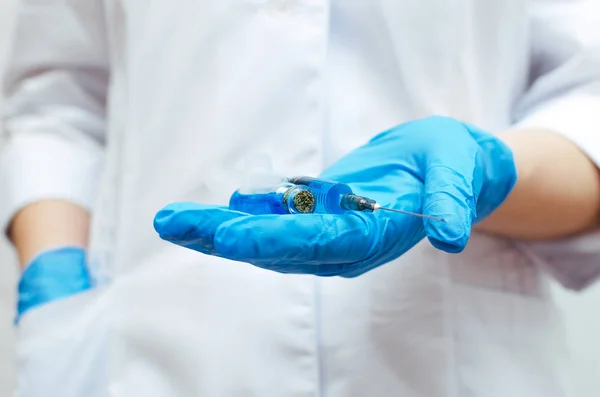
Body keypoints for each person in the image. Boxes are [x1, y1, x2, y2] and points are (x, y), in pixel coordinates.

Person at [1, 0, 599, 396]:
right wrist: (53, 282)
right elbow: (55, 102)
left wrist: (491, 170)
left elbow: (587, 111)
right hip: (157, 353)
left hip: (450, 361)